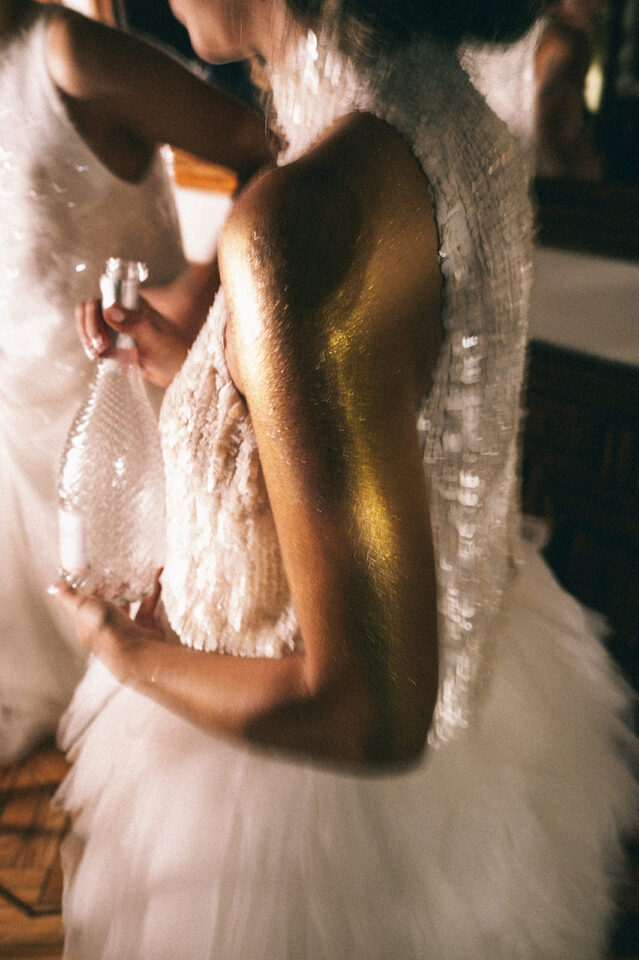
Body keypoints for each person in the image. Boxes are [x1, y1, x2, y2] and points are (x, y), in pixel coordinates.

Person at [53, 0, 637, 957]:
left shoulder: (304, 218)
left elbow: (367, 713)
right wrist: (203, 375)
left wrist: (126, 654)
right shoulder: (449, 122)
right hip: (477, 738)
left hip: (298, 815)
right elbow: (396, 399)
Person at [0, 0, 275, 765]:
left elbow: (262, 147)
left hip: (134, 423)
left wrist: (197, 288)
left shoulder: (67, 52)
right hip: (17, 443)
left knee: (161, 724)